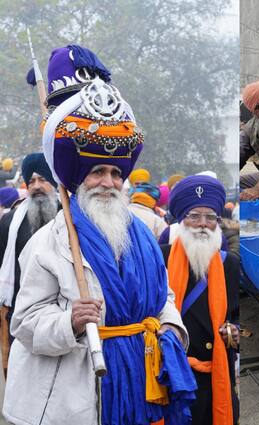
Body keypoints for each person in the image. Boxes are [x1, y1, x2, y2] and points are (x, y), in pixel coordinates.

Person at [3, 45, 195, 424]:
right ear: (77, 179)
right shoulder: (49, 242)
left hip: (143, 383)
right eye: (97, 172)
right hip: (72, 397)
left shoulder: (140, 234)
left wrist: (171, 328)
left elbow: (164, 296)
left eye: (115, 174)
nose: (108, 182)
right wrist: (69, 321)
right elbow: (23, 323)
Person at [163, 175, 240, 425]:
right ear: (181, 219)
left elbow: (238, 318)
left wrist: (236, 332)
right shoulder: (159, 259)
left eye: (210, 217)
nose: (202, 224)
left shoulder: (230, 264)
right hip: (169, 374)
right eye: (194, 216)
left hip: (213, 373)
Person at [0, 153, 59, 375]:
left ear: (54, 183)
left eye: (43, 179)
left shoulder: (70, 218)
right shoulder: (10, 222)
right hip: (20, 314)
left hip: (61, 316)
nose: (37, 186)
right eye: (31, 181)